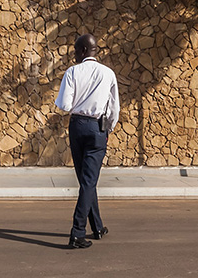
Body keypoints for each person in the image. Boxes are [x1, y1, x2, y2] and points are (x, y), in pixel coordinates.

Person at [55, 33, 120, 249]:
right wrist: (108, 128)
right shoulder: (108, 73)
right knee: (88, 181)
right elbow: (114, 108)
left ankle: (82, 230)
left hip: (77, 126)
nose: (74, 55)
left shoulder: (72, 72)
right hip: (97, 128)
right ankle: (87, 230)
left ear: (83, 50)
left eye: (75, 50)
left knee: (86, 180)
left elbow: (64, 105)